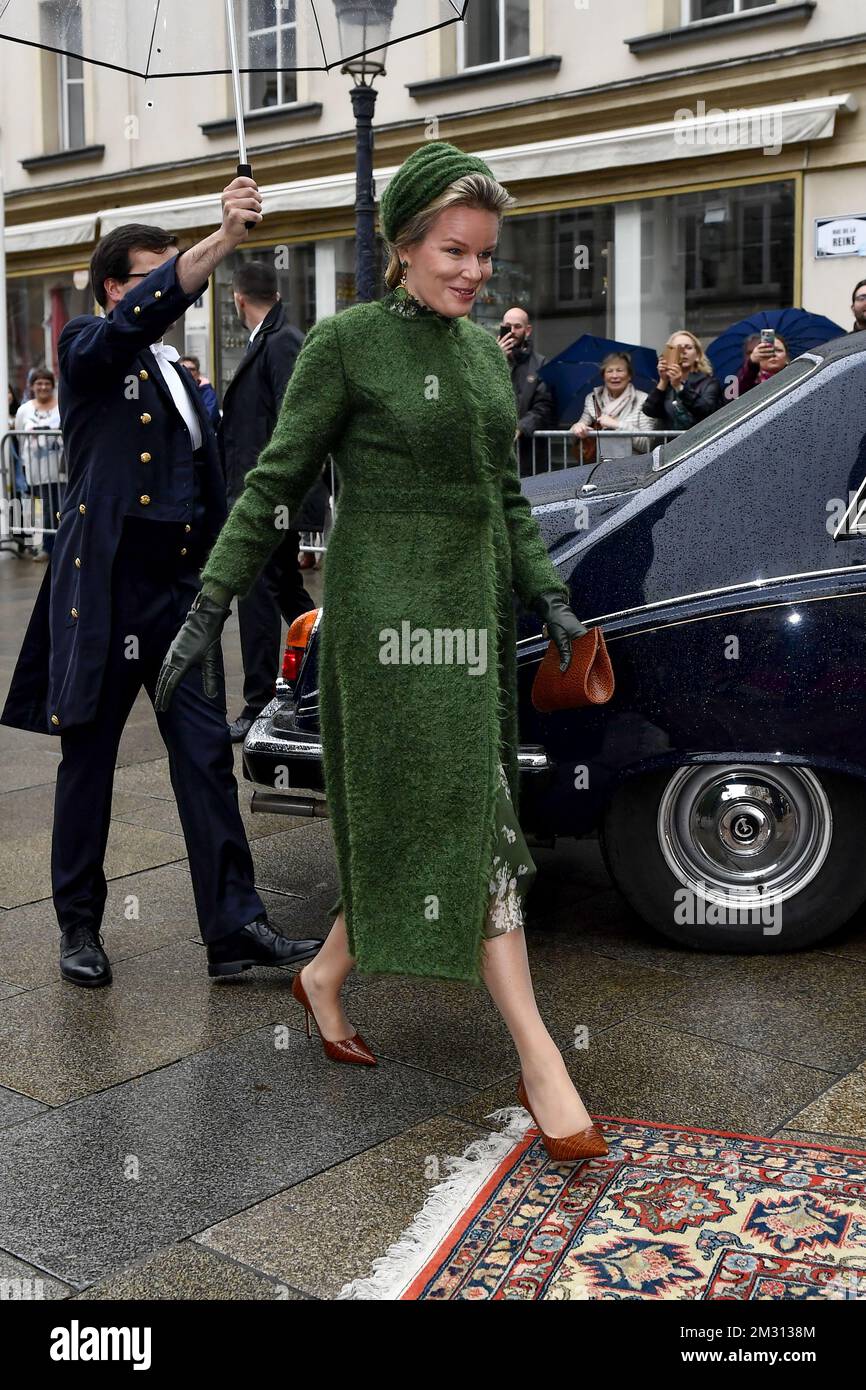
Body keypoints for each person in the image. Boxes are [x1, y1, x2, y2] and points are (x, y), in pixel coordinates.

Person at [155, 141, 608, 1162]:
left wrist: (551, 595)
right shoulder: (347, 344)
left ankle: (323, 974)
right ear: (401, 245)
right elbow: (274, 482)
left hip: (473, 625)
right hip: (388, 629)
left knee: (435, 812)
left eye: (485, 256)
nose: (472, 272)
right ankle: (541, 1060)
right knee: (468, 813)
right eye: (453, 250)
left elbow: (501, 494)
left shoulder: (484, 356)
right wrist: (213, 598)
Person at [0, 180, 322, 989]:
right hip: (104, 590)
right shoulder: (86, 345)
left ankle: (233, 926)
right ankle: (79, 924)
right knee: (90, 760)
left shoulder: (182, 374)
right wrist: (217, 240)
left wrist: (228, 570)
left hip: (178, 593)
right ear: (117, 286)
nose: (175, 288)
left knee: (206, 755)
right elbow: (133, 322)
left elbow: (206, 480)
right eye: (155, 274)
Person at [219, 260, 315, 742]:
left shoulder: (281, 341)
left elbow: (292, 422)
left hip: (268, 497)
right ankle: (327, 664)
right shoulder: (271, 338)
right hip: (265, 494)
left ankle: (258, 703)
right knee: (282, 589)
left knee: (256, 596)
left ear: (238, 298)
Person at [497, 306, 556, 477]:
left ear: (527, 330)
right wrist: (496, 358)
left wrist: (521, 427)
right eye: (508, 326)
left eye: (518, 326)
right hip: (496, 452)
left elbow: (544, 407)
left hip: (529, 453)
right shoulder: (487, 358)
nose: (513, 331)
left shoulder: (540, 364)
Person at [14, 367, 63, 561]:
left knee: (64, 508)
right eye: (39, 383)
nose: (43, 387)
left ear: (53, 386)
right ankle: (49, 548)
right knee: (47, 510)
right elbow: (19, 437)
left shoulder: (62, 405)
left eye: (47, 383)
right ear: (32, 386)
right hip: (37, 471)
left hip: (62, 469)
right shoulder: (24, 410)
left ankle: (66, 546)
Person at [570, 352, 654, 456]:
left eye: (619, 370)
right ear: (603, 376)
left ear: (629, 375)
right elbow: (575, 433)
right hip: (598, 465)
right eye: (609, 371)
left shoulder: (643, 400)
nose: (614, 376)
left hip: (634, 466)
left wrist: (617, 425)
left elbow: (647, 444)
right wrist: (577, 427)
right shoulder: (592, 398)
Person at [643, 330, 724, 431]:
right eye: (678, 348)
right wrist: (663, 381)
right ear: (669, 353)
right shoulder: (665, 385)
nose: (683, 352)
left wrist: (679, 387)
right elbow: (649, 410)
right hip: (669, 444)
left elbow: (706, 411)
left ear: (697, 356)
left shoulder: (709, 383)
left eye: (688, 348)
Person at [179, 355, 221, 429]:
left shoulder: (207, 393)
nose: (187, 371)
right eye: (183, 368)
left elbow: (209, 418)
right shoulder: (175, 391)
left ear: (198, 373)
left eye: (191, 369)